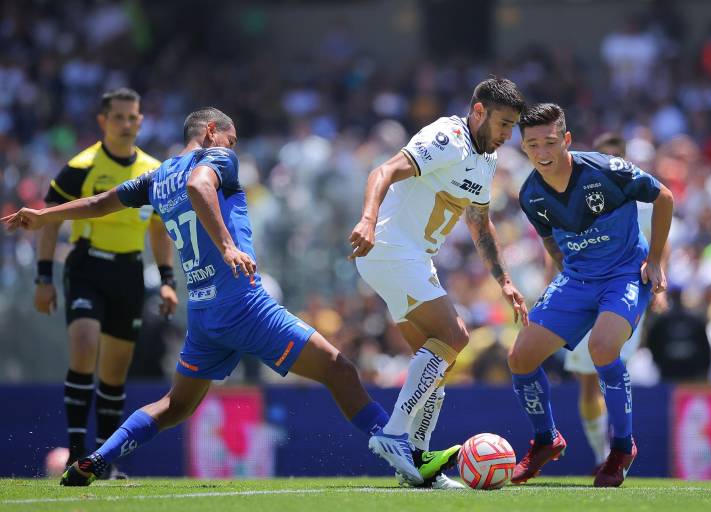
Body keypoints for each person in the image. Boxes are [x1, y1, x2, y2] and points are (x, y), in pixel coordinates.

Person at [3, 107, 437, 486]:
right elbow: (199, 185)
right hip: (244, 304)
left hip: (204, 314)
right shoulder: (217, 158)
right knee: (339, 370)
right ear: (211, 131)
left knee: (175, 406)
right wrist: (228, 246)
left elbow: (101, 203)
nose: (234, 148)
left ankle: (98, 458)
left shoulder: (157, 177)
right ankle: (397, 447)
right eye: (231, 139)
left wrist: (45, 216)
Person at [348, 78, 529, 489]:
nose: (507, 135)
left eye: (512, 126)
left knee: (435, 364)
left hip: (413, 258)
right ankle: (394, 434)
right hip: (391, 248)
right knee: (455, 336)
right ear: (479, 112)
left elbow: (480, 223)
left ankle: (418, 462)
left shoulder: (486, 159)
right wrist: (368, 220)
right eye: (503, 123)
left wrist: (504, 281)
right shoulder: (447, 137)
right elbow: (383, 171)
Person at [508, 103, 674, 487]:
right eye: (533, 145)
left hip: (624, 275)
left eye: (550, 142)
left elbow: (663, 196)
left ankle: (621, 448)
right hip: (577, 280)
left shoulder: (606, 169)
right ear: (523, 148)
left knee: (602, 348)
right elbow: (550, 241)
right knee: (519, 357)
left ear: (566, 139)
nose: (542, 152)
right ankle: (546, 440)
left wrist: (655, 260)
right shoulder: (530, 194)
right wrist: (563, 275)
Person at [34, 87, 178, 478]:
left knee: (114, 373)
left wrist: (167, 280)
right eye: (119, 117)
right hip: (86, 268)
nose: (126, 124)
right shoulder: (81, 166)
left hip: (129, 274)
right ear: (103, 121)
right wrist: (43, 277)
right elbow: (50, 220)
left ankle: (102, 462)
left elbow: (159, 230)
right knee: (84, 347)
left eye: (133, 117)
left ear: (141, 121)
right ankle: (75, 453)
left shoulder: (153, 170)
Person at [561, 132, 667, 472]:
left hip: (625, 291)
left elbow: (658, 246)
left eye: (615, 157)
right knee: (587, 380)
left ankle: (620, 450)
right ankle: (601, 455)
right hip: (583, 290)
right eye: (604, 157)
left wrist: (657, 282)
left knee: (612, 368)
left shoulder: (642, 202)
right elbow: (561, 249)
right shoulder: (577, 197)